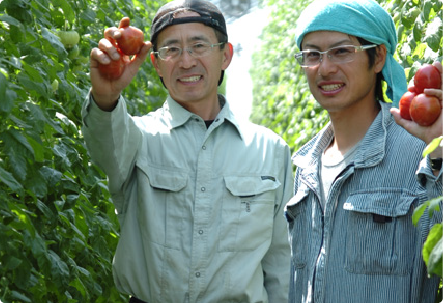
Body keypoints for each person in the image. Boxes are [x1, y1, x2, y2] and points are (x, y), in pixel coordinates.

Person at [82, 0, 293, 302]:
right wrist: (105, 96)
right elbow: (105, 143)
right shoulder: (137, 137)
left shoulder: (270, 149)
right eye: (171, 50)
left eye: (199, 46)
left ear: (226, 55)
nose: (186, 61)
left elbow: (281, 260)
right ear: (156, 64)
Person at [285, 0, 443, 302]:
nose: (325, 68)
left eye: (342, 51)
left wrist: (440, 151)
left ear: (379, 56)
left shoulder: (422, 154)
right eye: (312, 55)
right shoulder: (305, 166)